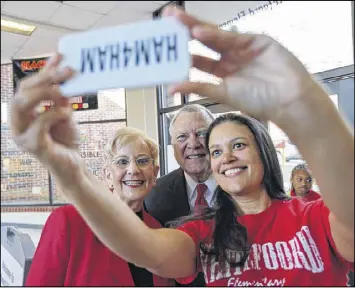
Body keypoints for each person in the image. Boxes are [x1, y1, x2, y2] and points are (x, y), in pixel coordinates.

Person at [11, 6, 353, 287]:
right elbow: (146, 249)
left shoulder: (314, 216)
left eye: (237, 144)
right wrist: (71, 173)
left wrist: (307, 106)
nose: (225, 157)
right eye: (217, 151)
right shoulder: (203, 231)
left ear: (263, 150)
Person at [25, 127, 174, 287]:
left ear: (155, 173)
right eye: (122, 162)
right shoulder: (69, 221)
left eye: (143, 161)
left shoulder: (157, 231)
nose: (133, 170)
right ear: (108, 174)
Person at [145, 104, 216, 286]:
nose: (193, 144)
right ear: (173, 145)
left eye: (201, 133)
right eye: (182, 137)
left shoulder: (239, 187)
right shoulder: (153, 195)